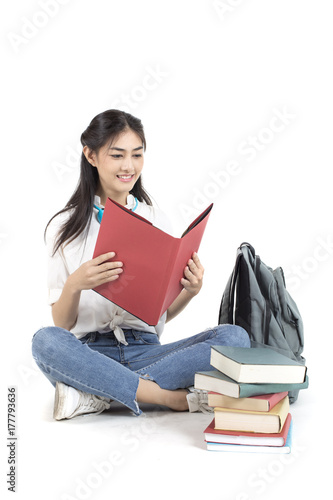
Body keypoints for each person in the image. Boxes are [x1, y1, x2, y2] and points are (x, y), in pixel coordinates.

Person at [31, 109, 250, 420]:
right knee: (45, 341)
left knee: (235, 338)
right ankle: (166, 398)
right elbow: (62, 325)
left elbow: (161, 313)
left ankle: (96, 392)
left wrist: (190, 290)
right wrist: (76, 283)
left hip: (148, 351)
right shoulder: (64, 227)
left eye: (137, 155)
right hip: (90, 352)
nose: (129, 166)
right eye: (117, 155)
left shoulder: (156, 219)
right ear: (91, 155)